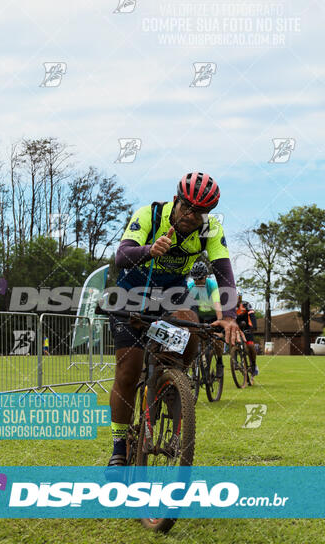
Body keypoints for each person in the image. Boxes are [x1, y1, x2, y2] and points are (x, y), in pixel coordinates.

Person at [107, 171, 243, 468]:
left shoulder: (210, 230)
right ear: (176, 201)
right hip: (132, 295)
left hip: (172, 297)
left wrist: (230, 316)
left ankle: (172, 386)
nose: (192, 215)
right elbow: (121, 256)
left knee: (189, 325)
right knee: (128, 371)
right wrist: (148, 250)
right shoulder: (150, 215)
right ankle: (119, 445)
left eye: (200, 211)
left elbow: (224, 273)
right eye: (187, 207)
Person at [187, 260, 224, 377]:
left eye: (201, 279)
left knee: (217, 339)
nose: (198, 282)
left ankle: (219, 361)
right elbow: (187, 306)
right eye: (195, 279)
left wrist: (219, 321)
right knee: (194, 341)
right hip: (200, 315)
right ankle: (195, 370)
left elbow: (217, 303)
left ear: (206, 276)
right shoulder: (191, 286)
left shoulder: (212, 285)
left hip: (213, 315)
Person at [236, 293, 258, 376]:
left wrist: (254, 326)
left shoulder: (246, 304)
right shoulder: (229, 307)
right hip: (236, 328)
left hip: (247, 328)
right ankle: (235, 361)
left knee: (250, 346)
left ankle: (253, 364)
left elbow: (252, 315)